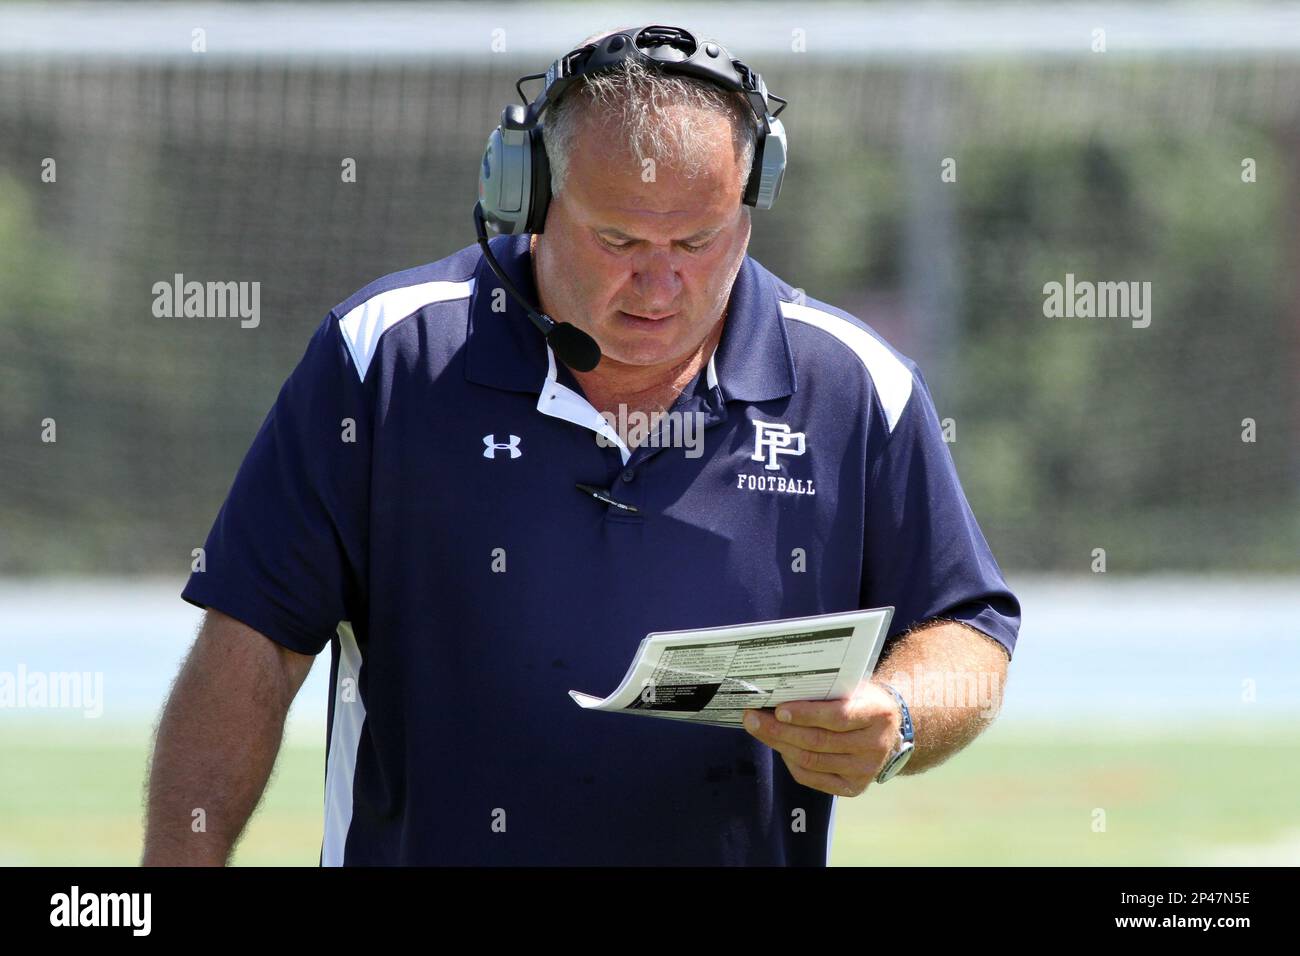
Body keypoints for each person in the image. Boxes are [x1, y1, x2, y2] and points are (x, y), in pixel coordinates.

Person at [143, 24, 1021, 866]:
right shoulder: (386, 358)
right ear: (526, 198)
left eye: (697, 240)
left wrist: (897, 716)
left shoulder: (857, 387)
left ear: (752, 205)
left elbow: (968, 629)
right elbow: (253, 644)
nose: (661, 282)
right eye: (618, 240)